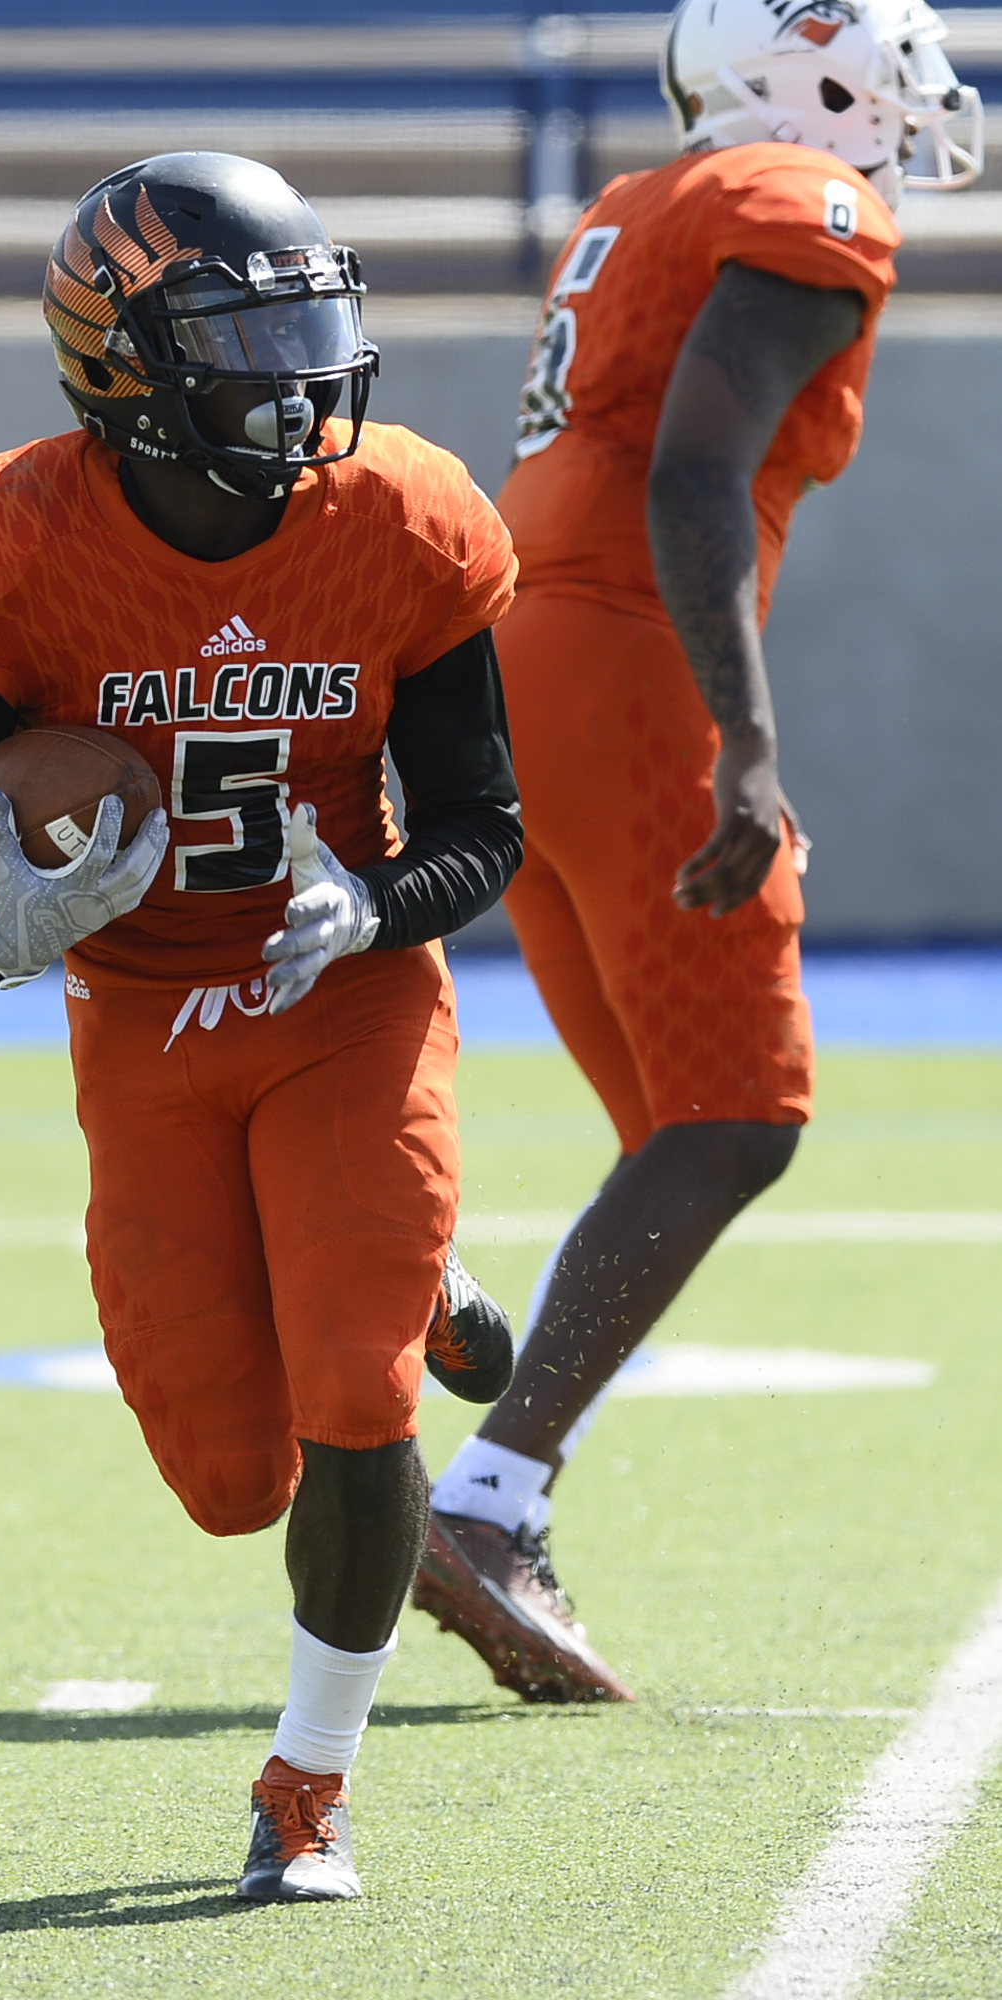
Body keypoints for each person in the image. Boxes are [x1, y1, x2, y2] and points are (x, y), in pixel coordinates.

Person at [0, 152, 523, 1902]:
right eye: (245, 331)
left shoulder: (405, 518)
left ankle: (309, 1787)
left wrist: (371, 902)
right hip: (138, 1022)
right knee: (230, 1476)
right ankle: (407, 1267)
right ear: (124, 366)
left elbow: (480, 824)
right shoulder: (14, 543)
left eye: (311, 321)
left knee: (357, 1399)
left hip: (338, 1000)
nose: (301, 374)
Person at [414, 0, 981, 1703]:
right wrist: (742, 739)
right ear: (810, 71)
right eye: (892, 64)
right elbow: (692, 479)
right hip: (616, 660)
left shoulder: (630, 204)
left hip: (517, 659)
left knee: (674, 1122)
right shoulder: (801, 199)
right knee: (733, 1116)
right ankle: (489, 1499)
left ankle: (400, 1287)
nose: (915, 103)